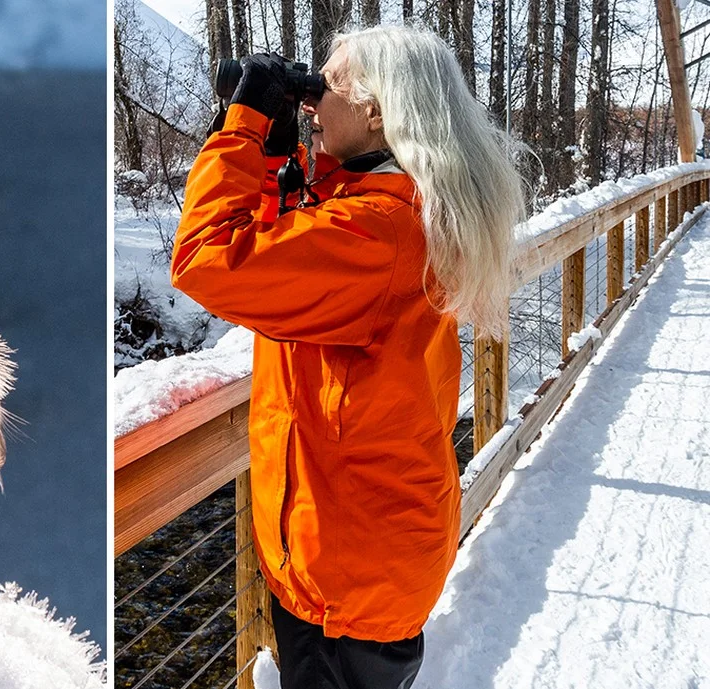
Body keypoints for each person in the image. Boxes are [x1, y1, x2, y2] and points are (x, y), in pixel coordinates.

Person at [171, 26, 525, 689]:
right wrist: (278, 166)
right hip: (365, 552)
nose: (311, 102)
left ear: (375, 111)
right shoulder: (387, 209)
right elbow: (290, 262)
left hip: (347, 581)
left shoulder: (376, 234)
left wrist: (242, 125)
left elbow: (204, 260)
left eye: (325, 86)